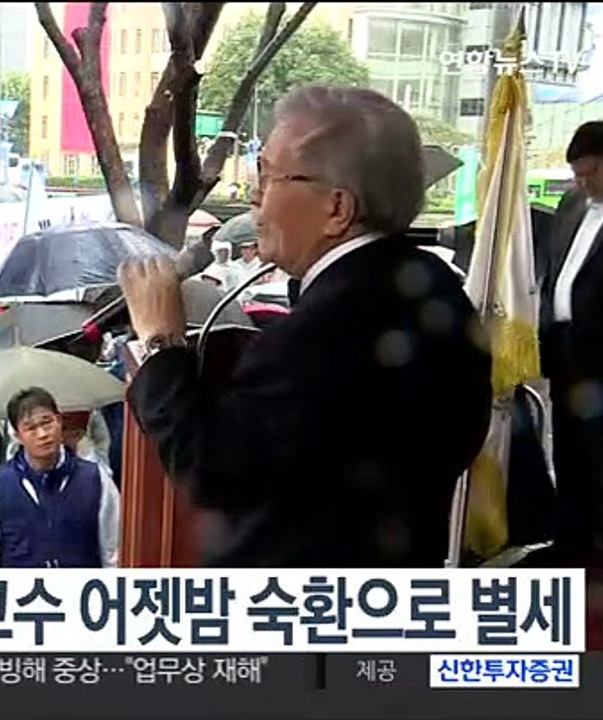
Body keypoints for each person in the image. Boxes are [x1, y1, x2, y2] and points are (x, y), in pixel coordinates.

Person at [117, 85, 492, 568]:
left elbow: (212, 469)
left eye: (269, 175)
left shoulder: (321, 332)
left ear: (337, 208)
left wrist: (161, 344)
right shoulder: (435, 287)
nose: (254, 196)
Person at [540, 119, 603, 573]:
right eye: (577, 173)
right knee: (570, 450)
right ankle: (571, 540)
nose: (582, 182)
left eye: (592, 172)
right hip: (565, 347)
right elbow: (556, 271)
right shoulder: (571, 203)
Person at [0, 387, 120, 568]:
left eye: (47, 423)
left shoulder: (95, 479)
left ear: (59, 421)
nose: (43, 434)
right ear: (17, 435)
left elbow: (114, 551)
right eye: (31, 428)